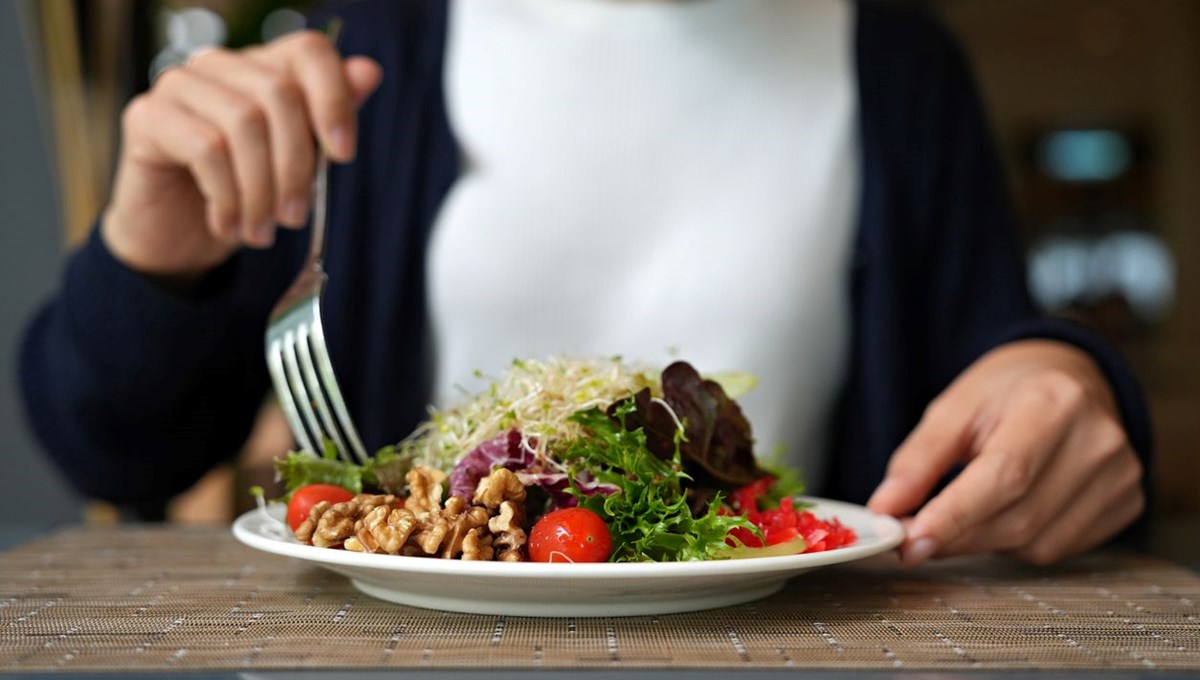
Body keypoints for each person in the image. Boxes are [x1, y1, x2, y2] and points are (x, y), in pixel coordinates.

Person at [20, 0, 1151, 566]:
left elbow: (1000, 362)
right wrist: (150, 255)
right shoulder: (370, 54)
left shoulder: (901, 64)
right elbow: (115, 446)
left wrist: (1064, 372)